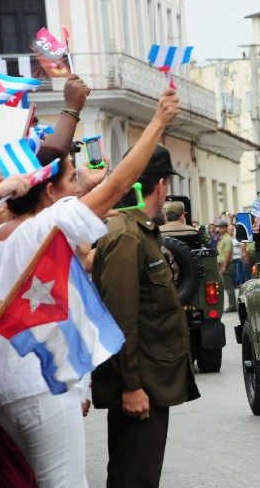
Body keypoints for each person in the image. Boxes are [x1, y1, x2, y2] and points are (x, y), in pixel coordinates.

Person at [0, 88, 180, 488]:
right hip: (37, 384)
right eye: (72, 179)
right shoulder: (48, 223)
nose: (79, 188)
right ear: (49, 190)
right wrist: (158, 121)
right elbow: (119, 185)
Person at [91, 143, 200, 488]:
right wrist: (132, 386)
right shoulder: (126, 237)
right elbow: (121, 319)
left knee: (139, 475)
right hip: (142, 386)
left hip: (151, 381)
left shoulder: (140, 232)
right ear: (162, 185)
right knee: (133, 478)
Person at [215, 218, 236, 312]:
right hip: (223, 264)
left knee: (229, 286)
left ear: (225, 228)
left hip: (227, 265)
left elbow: (227, 253)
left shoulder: (227, 239)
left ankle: (232, 305)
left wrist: (224, 266)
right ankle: (232, 305)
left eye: (220, 227)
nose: (218, 229)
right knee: (227, 286)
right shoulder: (222, 238)